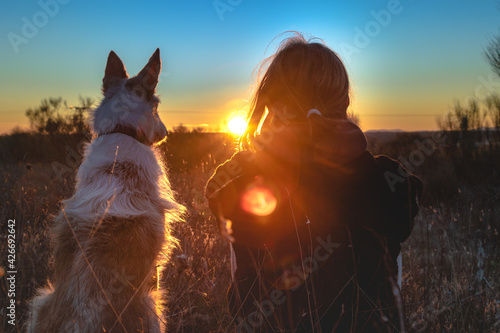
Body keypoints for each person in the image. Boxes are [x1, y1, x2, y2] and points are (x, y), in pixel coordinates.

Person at [205, 32, 422, 332]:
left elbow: (244, 301)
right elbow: (390, 293)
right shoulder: (388, 182)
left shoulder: (245, 186)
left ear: (273, 105)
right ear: (343, 102)